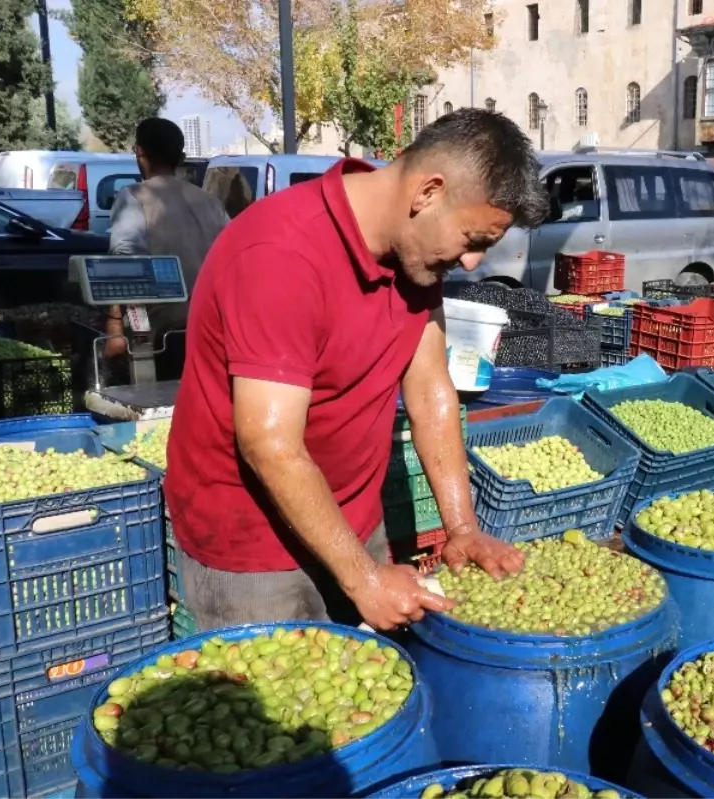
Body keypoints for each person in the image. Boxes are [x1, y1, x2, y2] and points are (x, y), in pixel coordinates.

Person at [164, 109, 549, 632]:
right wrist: (362, 577)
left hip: (353, 525)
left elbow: (431, 387)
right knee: (285, 705)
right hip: (253, 550)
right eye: (474, 239)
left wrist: (462, 527)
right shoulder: (281, 255)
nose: (474, 263)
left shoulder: (414, 255)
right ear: (427, 193)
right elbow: (270, 444)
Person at [104, 118, 229, 370]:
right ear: (180, 156)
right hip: (214, 328)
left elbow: (125, 261)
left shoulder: (134, 197)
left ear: (139, 151)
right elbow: (234, 256)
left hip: (160, 334)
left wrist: (115, 326)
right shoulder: (209, 202)